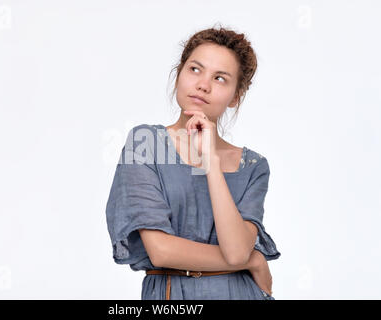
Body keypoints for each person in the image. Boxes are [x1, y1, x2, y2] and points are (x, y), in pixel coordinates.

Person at [105, 24, 281, 300]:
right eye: (195, 69)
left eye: (220, 78)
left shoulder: (253, 166)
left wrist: (210, 160)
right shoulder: (145, 142)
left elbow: (236, 250)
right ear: (179, 74)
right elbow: (161, 251)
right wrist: (253, 261)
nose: (203, 85)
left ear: (235, 96)